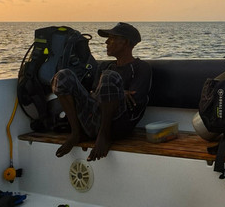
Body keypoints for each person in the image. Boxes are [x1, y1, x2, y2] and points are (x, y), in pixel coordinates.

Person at [51, 22, 152, 162]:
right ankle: (76, 133)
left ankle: (104, 136)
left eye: (112, 38)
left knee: (109, 76)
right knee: (63, 76)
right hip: (94, 119)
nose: (106, 42)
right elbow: (94, 94)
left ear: (126, 42)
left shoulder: (141, 68)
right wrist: (120, 93)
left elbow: (134, 102)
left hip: (118, 125)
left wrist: (113, 91)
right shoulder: (104, 66)